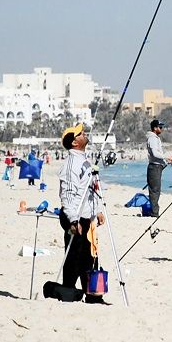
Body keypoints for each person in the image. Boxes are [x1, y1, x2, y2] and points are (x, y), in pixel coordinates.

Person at [58, 123, 106, 304]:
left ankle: (93, 296)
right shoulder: (71, 164)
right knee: (74, 259)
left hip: (88, 217)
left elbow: (92, 189)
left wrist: (98, 210)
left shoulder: (84, 160)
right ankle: (68, 293)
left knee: (91, 258)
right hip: (75, 217)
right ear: (74, 143)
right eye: (80, 134)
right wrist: (73, 220)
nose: (85, 134)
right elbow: (67, 195)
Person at [146, 119, 172, 217]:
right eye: (160, 127)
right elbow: (155, 154)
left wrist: (168, 161)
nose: (162, 129)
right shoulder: (152, 139)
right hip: (154, 167)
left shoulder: (156, 138)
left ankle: (154, 211)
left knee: (156, 190)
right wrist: (167, 157)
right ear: (155, 128)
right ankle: (154, 213)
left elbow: (159, 155)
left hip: (157, 166)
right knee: (155, 190)